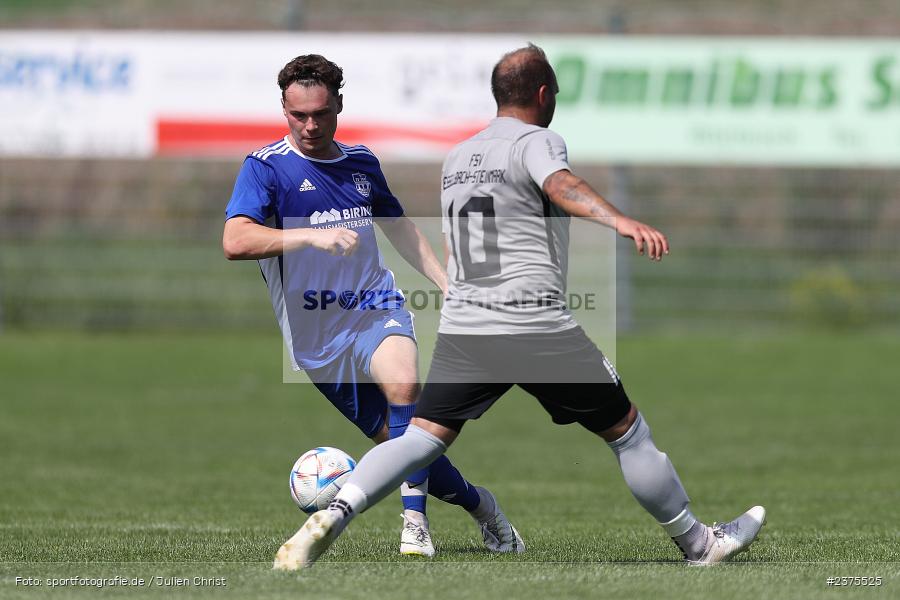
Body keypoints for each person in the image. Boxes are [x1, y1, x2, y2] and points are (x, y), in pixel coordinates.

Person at [273, 44, 766, 570]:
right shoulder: (538, 140)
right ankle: (699, 544)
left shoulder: (458, 157)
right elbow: (560, 183)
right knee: (628, 433)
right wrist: (620, 220)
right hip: (535, 326)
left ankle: (336, 511)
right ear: (543, 94)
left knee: (419, 438)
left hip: (467, 330)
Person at [223, 54, 522, 559]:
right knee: (404, 446)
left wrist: (444, 281)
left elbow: (398, 225)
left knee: (406, 386)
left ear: (339, 103)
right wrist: (309, 238)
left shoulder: (361, 163)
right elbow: (235, 239)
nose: (311, 125)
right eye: (299, 115)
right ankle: (481, 506)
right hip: (317, 338)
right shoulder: (265, 168)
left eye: (321, 113)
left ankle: (414, 526)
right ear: (284, 109)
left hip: (374, 304)